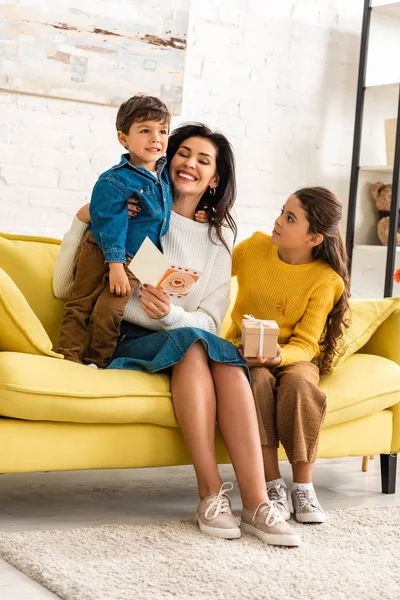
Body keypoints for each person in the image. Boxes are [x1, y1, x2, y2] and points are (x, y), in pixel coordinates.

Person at [53, 123, 301, 547]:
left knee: (210, 349)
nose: (190, 163)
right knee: (198, 347)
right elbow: (64, 287)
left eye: (204, 160)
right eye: (182, 153)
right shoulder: (135, 215)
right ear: (167, 160)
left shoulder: (219, 242)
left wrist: (171, 315)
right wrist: (86, 215)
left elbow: (209, 320)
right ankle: (210, 493)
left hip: (187, 343)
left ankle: (257, 504)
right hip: (124, 338)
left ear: (215, 179)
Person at [225, 186, 349, 524]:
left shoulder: (325, 280)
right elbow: (213, 271)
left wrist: (278, 356)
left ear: (313, 238)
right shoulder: (254, 248)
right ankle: (271, 484)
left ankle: (304, 488)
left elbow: (308, 344)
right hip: (245, 352)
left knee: (300, 387)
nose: (278, 221)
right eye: (282, 211)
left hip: (292, 358)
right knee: (258, 383)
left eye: (290, 218)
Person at [56, 95, 174, 368]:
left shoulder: (164, 173)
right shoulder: (113, 180)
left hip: (139, 257)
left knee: (110, 310)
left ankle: (98, 362)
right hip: (103, 250)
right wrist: (116, 265)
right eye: (145, 131)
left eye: (162, 131)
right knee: (81, 304)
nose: (155, 138)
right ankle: (67, 358)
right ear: (124, 138)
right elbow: (109, 224)